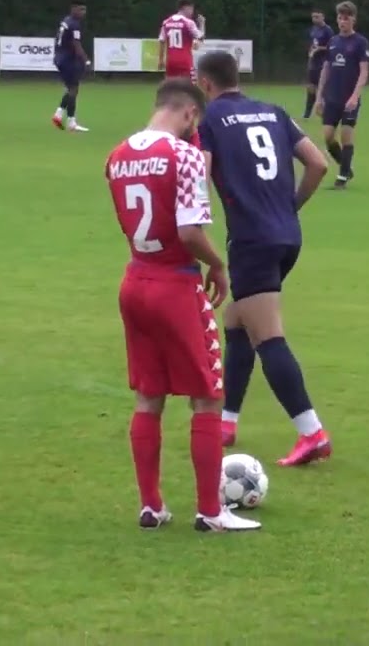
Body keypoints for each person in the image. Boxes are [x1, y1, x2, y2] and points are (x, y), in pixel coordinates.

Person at [106, 77, 260, 532]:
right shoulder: (186, 155)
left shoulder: (116, 157)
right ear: (191, 114)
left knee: (148, 395)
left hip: (135, 279)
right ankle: (211, 511)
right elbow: (191, 232)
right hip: (175, 285)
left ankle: (151, 505)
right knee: (208, 397)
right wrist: (219, 265)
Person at [195, 51, 332, 465]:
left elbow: (200, 177)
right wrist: (289, 208)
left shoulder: (211, 121)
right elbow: (318, 163)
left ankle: (311, 432)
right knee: (237, 321)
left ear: (204, 83)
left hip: (251, 240)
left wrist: (197, 236)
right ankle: (227, 421)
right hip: (287, 236)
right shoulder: (273, 112)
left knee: (268, 336)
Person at [315, 1, 369, 189]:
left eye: (346, 18)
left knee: (346, 134)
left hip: (349, 99)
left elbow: (364, 71)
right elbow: (326, 69)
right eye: (339, 18)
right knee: (328, 136)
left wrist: (355, 96)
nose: (342, 22)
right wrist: (319, 97)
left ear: (353, 19)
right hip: (332, 97)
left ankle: (342, 177)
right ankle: (346, 167)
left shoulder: (360, 42)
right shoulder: (333, 42)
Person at [52, 0, 90, 132]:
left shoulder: (66, 20)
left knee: (72, 88)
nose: (83, 12)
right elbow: (76, 44)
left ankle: (66, 118)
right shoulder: (74, 24)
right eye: (81, 9)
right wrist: (86, 60)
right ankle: (64, 118)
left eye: (84, 10)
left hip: (60, 58)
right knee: (73, 89)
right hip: (67, 60)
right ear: (73, 9)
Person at [157, 0, 205, 79]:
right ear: (186, 8)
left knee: (171, 87)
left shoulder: (166, 22)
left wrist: (161, 60)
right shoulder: (188, 23)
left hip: (171, 62)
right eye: (191, 9)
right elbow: (200, 38)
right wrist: (202, 24)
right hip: (185, 61)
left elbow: (162, 41)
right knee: (189, 89)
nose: (192, 12)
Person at [303, 8, 334, 120]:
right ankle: (307, 114)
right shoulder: (313, 29)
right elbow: (313, 44)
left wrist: (319, 49)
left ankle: (327, 112)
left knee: (323, 88)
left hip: (323, 63)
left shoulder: (328, 30)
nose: (314, 19)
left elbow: (331, 47)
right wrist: (311, 52)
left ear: (323, 17)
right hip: (313, 63)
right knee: (310, 88)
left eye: (317, 17)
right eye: (313, 17)